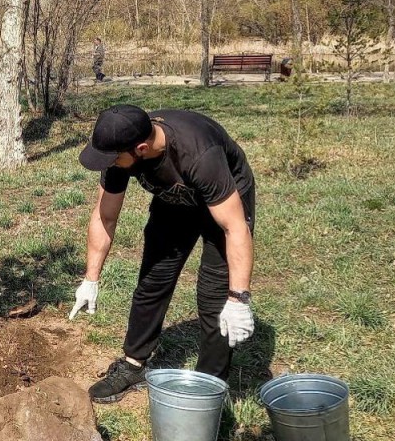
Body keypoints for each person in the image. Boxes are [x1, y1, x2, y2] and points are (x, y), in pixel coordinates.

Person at [68, 104, 256, 403]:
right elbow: (105, 217)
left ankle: (208, 386)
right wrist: (91, 279)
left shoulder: (199, 154)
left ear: (141, 148)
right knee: (153, 280)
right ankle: (133, 365)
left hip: (224, 198)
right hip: (174, 198)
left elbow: (235, 228)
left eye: (114, 159)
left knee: (215, 299)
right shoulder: (120, 150)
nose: (111, 164)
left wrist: (239, 298)